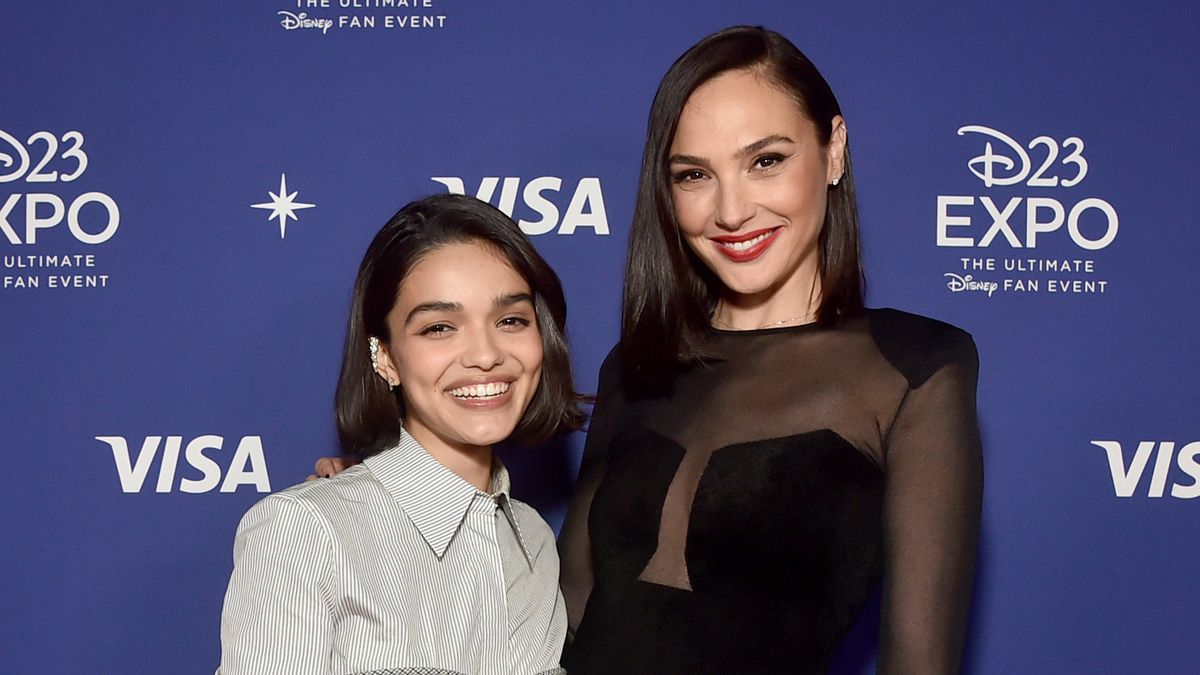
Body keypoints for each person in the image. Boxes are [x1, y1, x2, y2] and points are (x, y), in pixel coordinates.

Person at [554, 26, 983, 674]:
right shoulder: (636, 365)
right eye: (694, 174)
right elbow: (566, 607)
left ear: (833, 149)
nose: (731, 210)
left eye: (765, 160)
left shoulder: (913, 369)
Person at [219, 194, 583, 675]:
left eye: (510, 320)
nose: (486, 354)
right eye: (439, 328)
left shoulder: (532, 540)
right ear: (385, 356)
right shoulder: (306, 532)